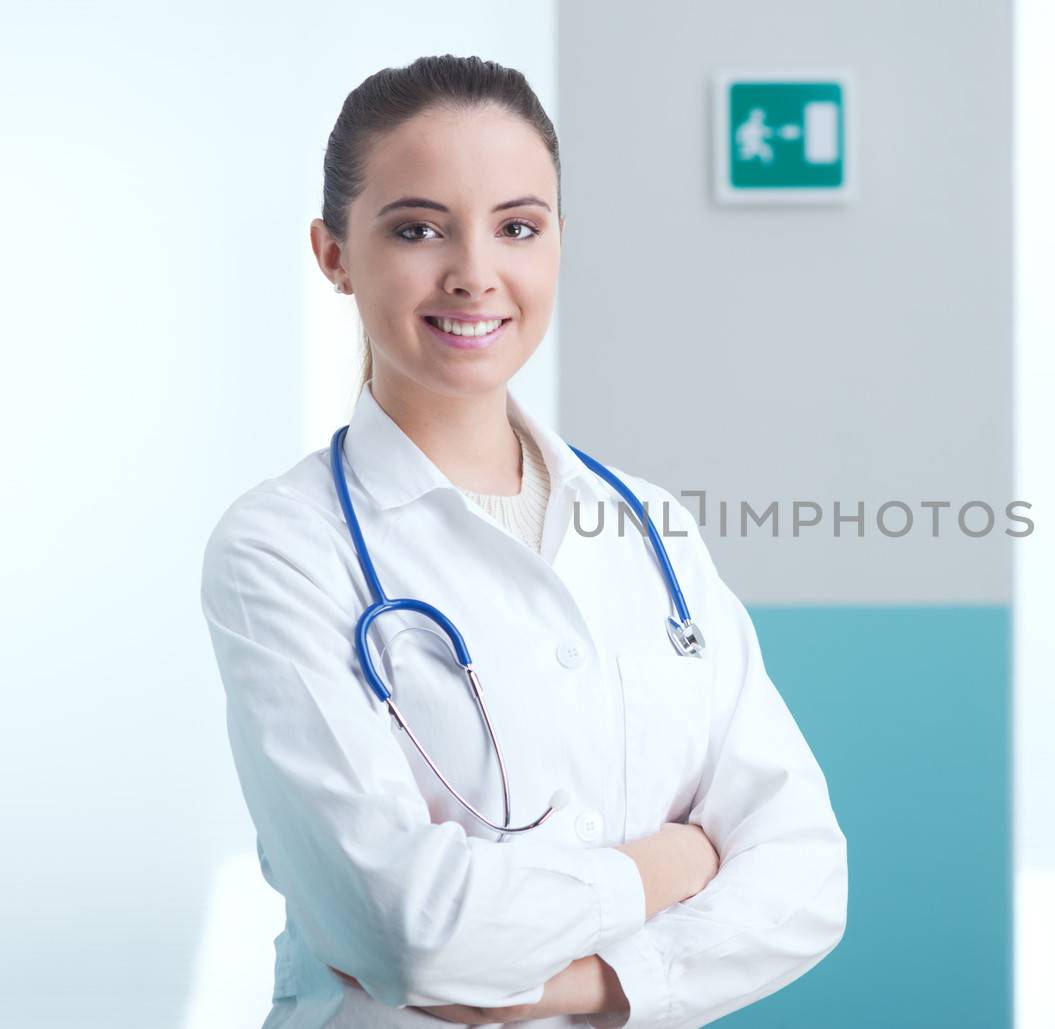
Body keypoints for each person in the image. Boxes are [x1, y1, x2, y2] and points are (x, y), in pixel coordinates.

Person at [199, 54, 848, 1028]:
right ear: (333, 253)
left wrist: (585, 985)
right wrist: (668, 865)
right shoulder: (281, 551)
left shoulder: (650, 528)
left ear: (555, 246)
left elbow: (805, 875)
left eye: (517, 227)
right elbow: (407, 932)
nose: (474, 273)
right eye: (418, 228)